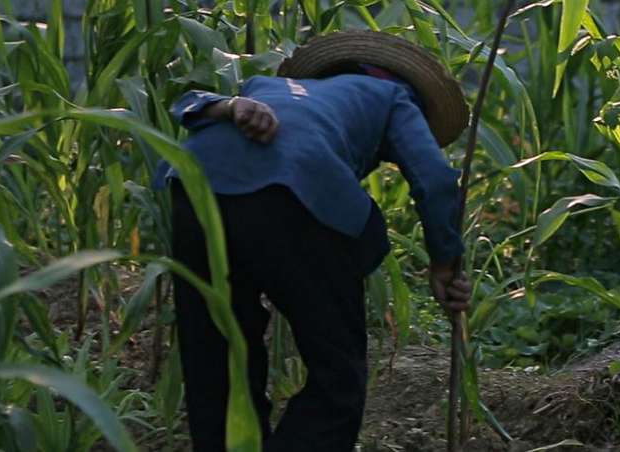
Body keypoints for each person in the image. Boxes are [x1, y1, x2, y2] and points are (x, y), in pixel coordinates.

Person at [158, 30, 473, 451]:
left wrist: (228, 105)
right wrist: (445, 261)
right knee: (337, 377)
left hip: (193, 187)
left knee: (218, 360)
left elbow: (188, 104)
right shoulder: (395, 95)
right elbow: (434, 180)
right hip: (294, 192)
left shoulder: (266, 87)